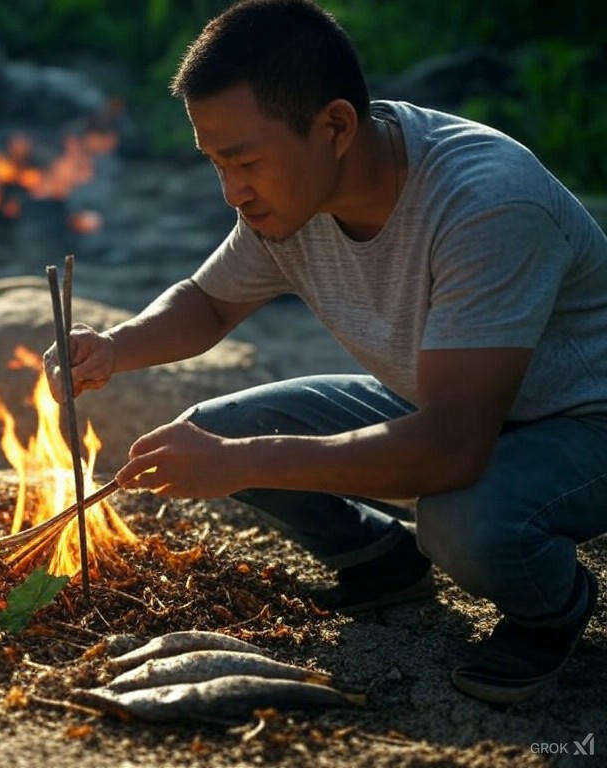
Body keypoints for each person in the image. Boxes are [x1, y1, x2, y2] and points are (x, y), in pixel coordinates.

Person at [43, 0, 607, 704]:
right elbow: (210, 302)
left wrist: (242, 465)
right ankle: (380, 561)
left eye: (245, 160)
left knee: (466, 523)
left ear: (336, 125)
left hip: (581, 422)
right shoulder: (298, 193)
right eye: (217, 163)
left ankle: (551, 607)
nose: (232, 191)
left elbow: (453, 449)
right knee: (215, 428)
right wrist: (115, 347)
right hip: (440, 400)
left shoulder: (485, 205)